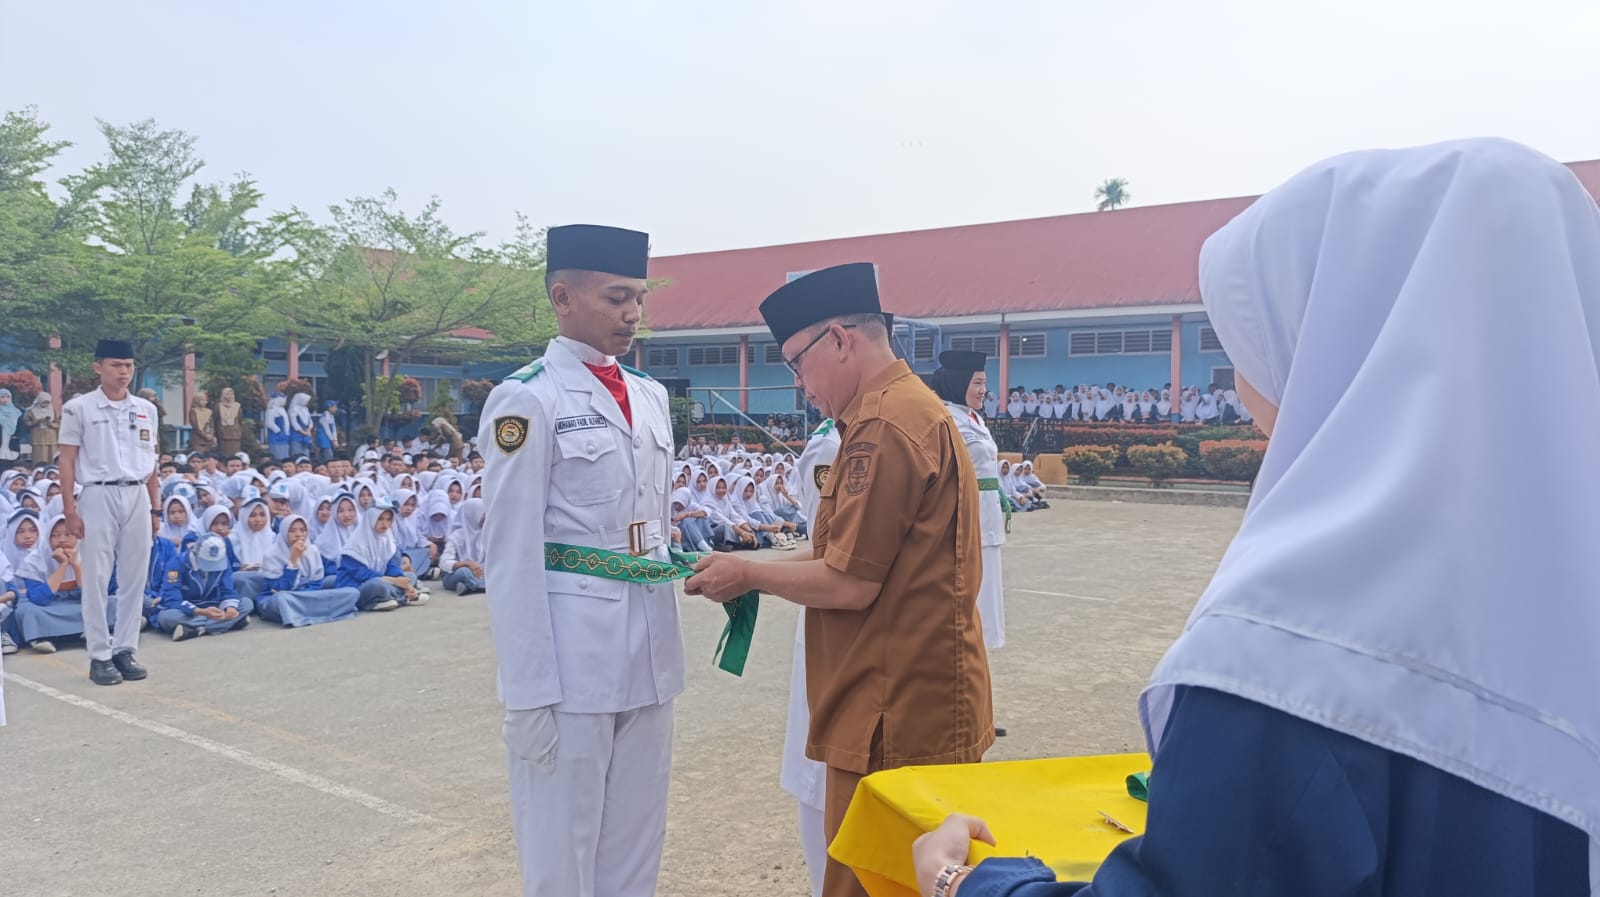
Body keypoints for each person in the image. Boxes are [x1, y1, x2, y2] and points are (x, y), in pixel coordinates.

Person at [912, 139, 1599, 897]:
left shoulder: (1300, 653)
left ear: (1346, 344)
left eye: (1256, 342)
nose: (1247, 387)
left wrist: (960, 884)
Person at [686, 263, 993, 897]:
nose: (799, 385)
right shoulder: (900, 409)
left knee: (879, 881)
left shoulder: (884, 426)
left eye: (797, 364)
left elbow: (850, 582)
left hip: (896, 705)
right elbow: (834, 550)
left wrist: (749, 573)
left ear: (840, 340)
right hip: (894, 693)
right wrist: (746, 570)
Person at [477, 224, 682, 897]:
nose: (633, 313)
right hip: (571, 664)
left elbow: (650, 523)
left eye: (639, 298)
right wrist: (528, 691)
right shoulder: (528, 398)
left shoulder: (651, 395)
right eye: (617, 296)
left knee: (633, 852)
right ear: (562, 297)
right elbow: (509, 552)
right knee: (562, 859)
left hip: (649, 650)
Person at [58, 340, 159, 685]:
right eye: (116, 365)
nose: (124, 372)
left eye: (129, 365)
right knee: (98, 578)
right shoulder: (79, 408)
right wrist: (69, 508)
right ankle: (100, 654)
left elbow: (152, 462)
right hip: (98, 495)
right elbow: (67, 460)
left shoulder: (146, 408)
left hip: (137, 495)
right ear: (97, 367)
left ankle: (125, 649)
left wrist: (156, 507)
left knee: (135, 577)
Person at [926, 350, 1007, 654]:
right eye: (977, 382)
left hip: (987, 515)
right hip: (963, 515)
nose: (983, 390)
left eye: (984, 382)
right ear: (959, 382)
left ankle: (979, 649)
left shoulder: (973, 417)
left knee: (986, 593)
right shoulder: (945, 419)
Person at [257, 514, 360, 627]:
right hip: (280, 598)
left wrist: (306, 596)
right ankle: (316, 610)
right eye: (292, 531)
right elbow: (277, 589)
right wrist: (293, 561)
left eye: (303, 530)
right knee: (282, 599)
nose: (299, 535)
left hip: (306, 596)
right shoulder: (272, 554)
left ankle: (304, 610)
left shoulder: (313, 550)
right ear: (284, 532)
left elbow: (317, 583)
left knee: (351, 592)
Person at [11, 514, 87, 653]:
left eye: (68, 534)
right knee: (27, 610)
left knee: (111, 602)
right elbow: (39, 599)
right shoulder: (34, 560)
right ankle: (44, 637)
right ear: (47, 538)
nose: (62, 540)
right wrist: (63, 566)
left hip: (77, 603)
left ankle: (83, 632)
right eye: (55, 535)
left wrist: (76, 566)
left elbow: (93, 596)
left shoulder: (88, 554)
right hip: (49, 607)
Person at [439, 496, 486, 595]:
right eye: (483, 514)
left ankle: (469, 586)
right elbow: (443, 562)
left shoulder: (486, 534)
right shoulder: (456, 536)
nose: (485, 518)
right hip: (457, 574)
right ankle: (480, 586)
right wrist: (467, 564)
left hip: (481, 573)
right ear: (473, 514)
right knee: (463, 572)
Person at [25, 392, 58, 463]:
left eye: (48, 402)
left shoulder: (52, 410)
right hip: (38, 438)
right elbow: (27, 423)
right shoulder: (31, 411)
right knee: (40, 458)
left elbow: (58, 423)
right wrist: (37, 421)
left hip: (51, 438)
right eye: (44, 402)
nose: (46, 404)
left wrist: (50, 424)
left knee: (52, 458)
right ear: (40, 401)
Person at [216, 388, 244, 457]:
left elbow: (240, 420)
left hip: (235, 435)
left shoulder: (237, 406)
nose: (230, 396)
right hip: (223, 435)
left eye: (231, 394)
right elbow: (215, 419)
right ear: (223, 395)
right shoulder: (218, 406)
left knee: (235, 455)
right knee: (224, 456)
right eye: (227, 394)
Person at [288, 393, 314, 459]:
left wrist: (309, 429)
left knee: (306, 455)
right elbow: (294, 423)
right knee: (296, 454)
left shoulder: (306, 409)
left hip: (306, 435)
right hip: (296, 435)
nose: (307, 402)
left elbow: (310, 421)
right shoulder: (293, 409)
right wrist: (302, 432)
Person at [0, 388, 20, 461]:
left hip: (12, 445)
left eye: (8, 396)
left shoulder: (17, 412)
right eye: (2, 397)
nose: (5, 399)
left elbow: (19, 429)